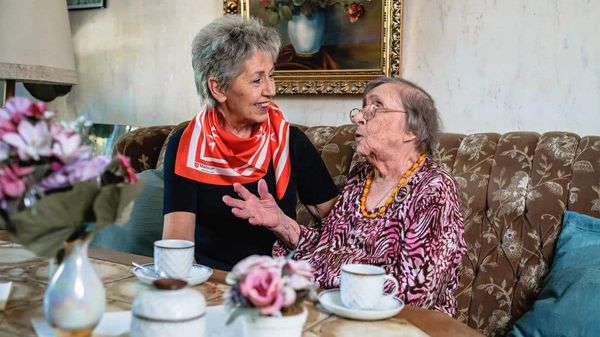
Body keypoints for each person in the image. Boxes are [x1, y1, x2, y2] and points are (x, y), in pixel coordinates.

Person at [223, 77, 467, 316]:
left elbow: (416, 293)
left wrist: (326, 277)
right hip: (341, 310)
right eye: (362, 108)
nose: (359, 117)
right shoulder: (362, 176)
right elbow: (327, 247)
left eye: (375, 108)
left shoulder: (434, 189)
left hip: (404, 326)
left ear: (411, 130)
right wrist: (280, 222)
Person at [162, 16, 338, 271]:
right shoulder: (186, 145)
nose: (271, 90)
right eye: (257, 80)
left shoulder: (291, 142)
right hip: (211, 283)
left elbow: (341, 230)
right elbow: (177, 248)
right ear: (218, 88)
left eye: (271, 76)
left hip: (275, 287)